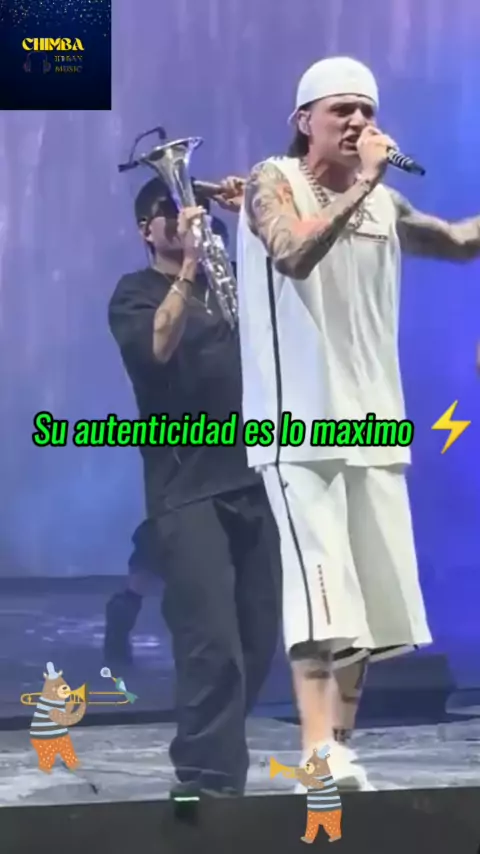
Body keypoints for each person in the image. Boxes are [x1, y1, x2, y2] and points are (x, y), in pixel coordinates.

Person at [236, 55, 480, 790]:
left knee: (366, 611)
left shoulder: (385, 205)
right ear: (303, 120)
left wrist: (378, 191)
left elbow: (457, 241)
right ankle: (315, 752)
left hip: (375, 425)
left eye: (367, 110)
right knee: (320, 598)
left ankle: (337, 749)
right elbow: (292, 253)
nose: (358, 122)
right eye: (341, 109)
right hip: (299, 428)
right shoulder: (272, 180)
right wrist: (365, 183)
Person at [106, 174, 281, 798]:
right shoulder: (135, 293)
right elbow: (157, 346)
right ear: (145, 229)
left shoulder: (232, 283)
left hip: (254, 475)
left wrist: (254, 217)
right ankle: (209, 784)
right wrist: (187, 271)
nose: (188, 217)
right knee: (212, 642)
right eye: (172, 210)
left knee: (259, 638)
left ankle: (211, 761)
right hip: (187, 489)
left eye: (196, 208)